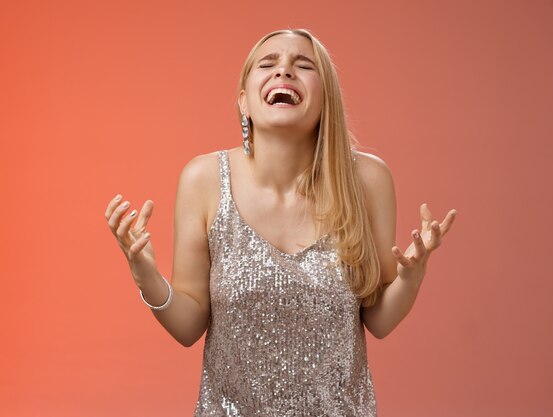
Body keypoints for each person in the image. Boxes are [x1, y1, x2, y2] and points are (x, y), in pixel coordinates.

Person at [104, 29, 456, 417]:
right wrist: (145, 276)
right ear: (244, 101)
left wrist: (411, 278)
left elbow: (379, 320)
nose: (284, 71)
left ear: (327, 99)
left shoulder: (368, 180)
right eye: (267, 64)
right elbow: (188, 327)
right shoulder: (203, 179)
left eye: (303, 65)